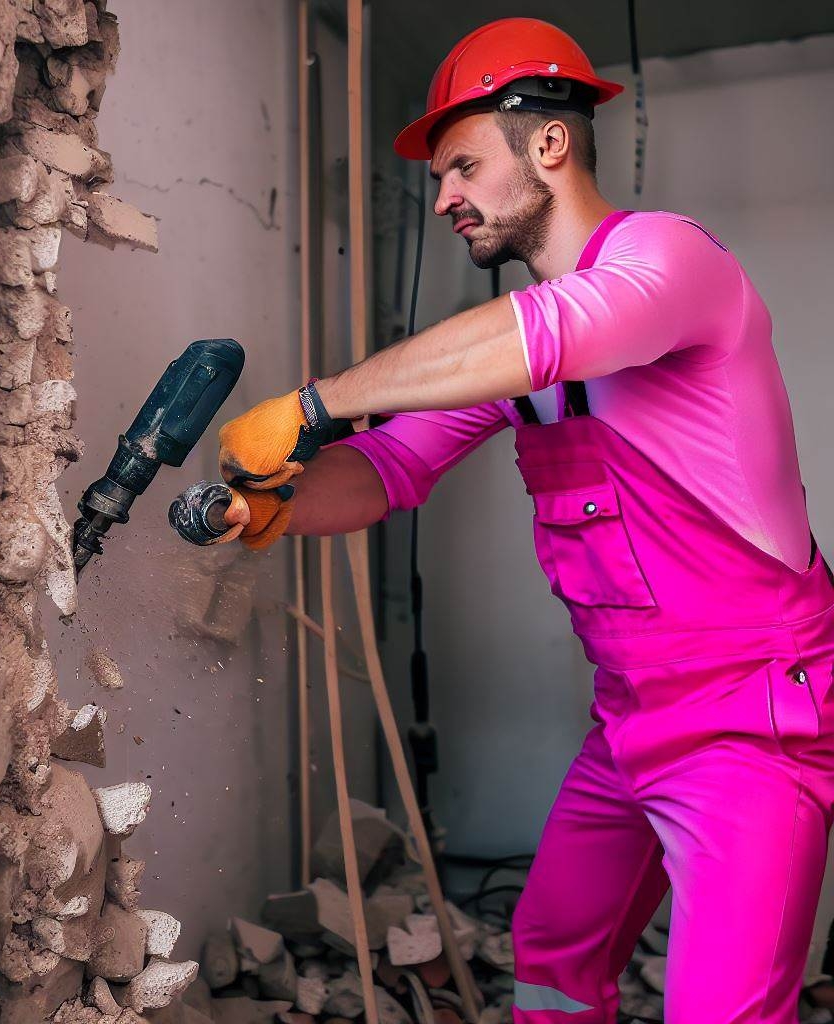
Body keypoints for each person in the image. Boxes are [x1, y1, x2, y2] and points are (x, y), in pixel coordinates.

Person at [211, 17, 834, 1023]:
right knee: (552, 950)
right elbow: (388, 468)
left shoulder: (668, 259)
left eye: (462, 166)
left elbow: (551, 334)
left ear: (548, 143)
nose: (443, 198)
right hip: (629, 715)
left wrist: (316, 403)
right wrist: (269, 504)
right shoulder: (518, 356)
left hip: (748, 722)